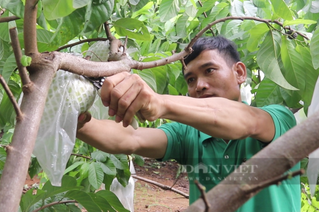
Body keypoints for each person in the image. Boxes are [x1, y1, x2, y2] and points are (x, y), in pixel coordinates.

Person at [77, 36, 300, 212]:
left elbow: (246, 122)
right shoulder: (189, 134)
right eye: (191, 79)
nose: (199, 86)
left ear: (240, 73)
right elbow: (131, 138)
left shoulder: (278, 119)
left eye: (209, 71)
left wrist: (159, 102)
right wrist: (76, 123)